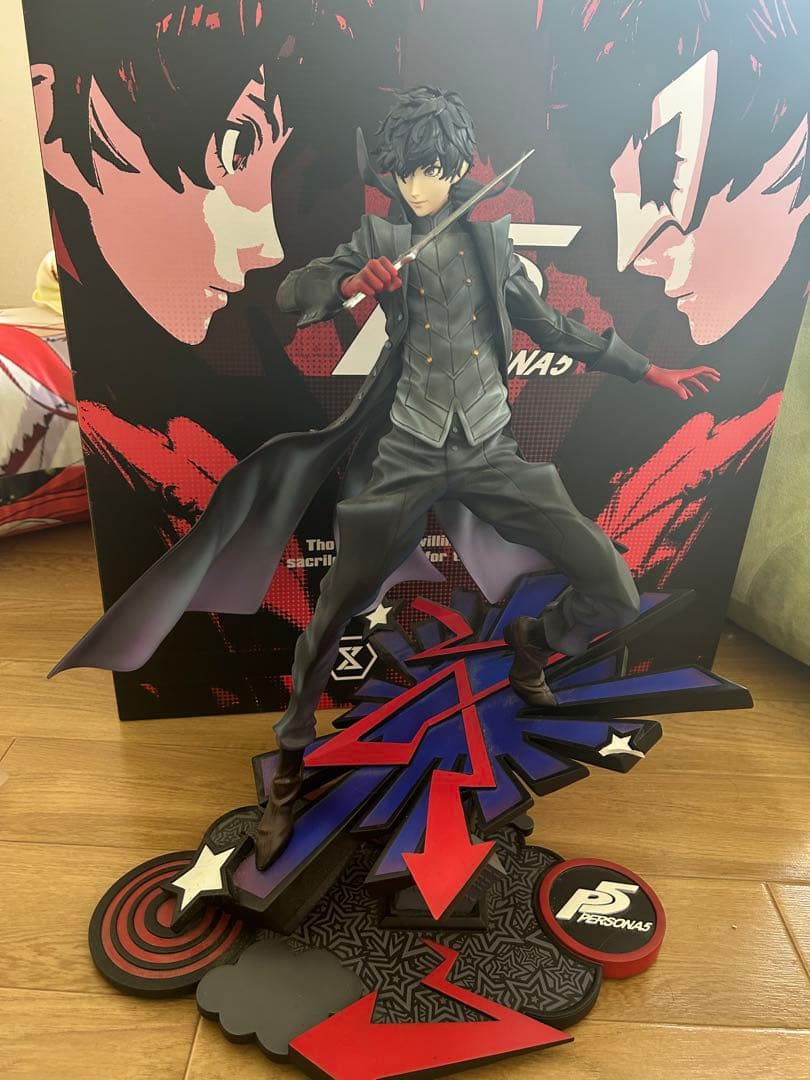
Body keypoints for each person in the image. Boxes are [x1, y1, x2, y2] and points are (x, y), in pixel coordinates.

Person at [51, 86, 719, 866]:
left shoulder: (492, 242)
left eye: (432, 171)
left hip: (490, 452)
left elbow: (552, 326)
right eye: (405, 173)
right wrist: (348, 283)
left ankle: (532, 643)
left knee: (611, 584)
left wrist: (649, 369)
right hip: (406, 454)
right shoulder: (379, 237)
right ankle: (290, 764)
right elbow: (294, 293)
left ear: (458, 167)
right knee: (334, 610)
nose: (418, 188)